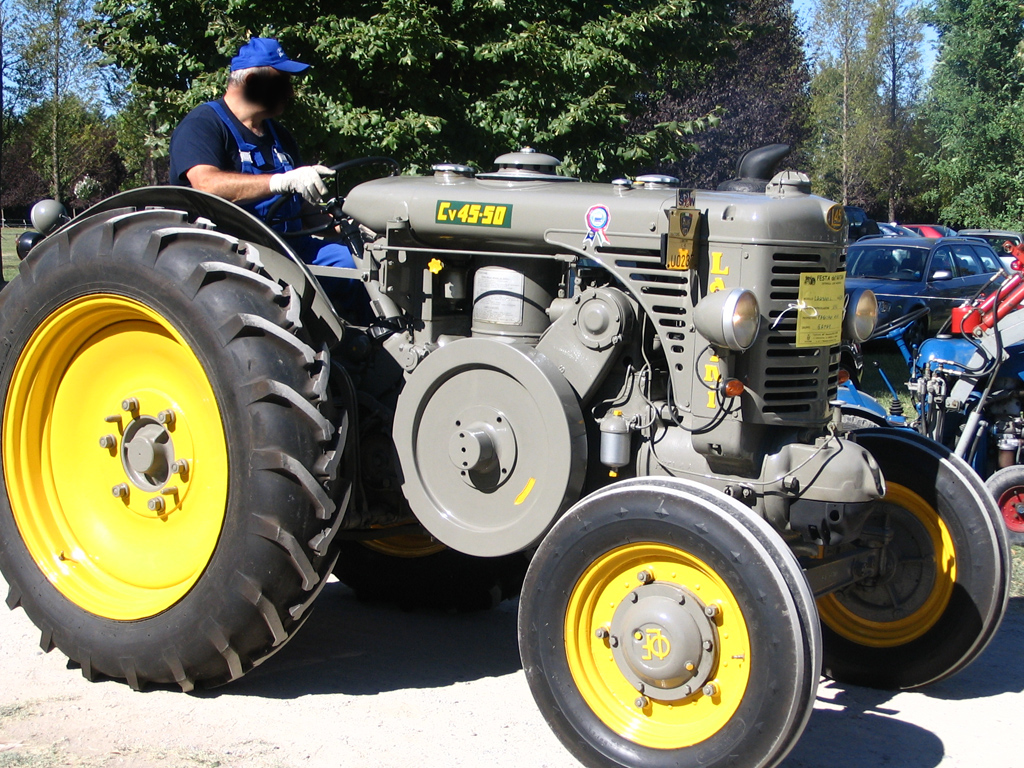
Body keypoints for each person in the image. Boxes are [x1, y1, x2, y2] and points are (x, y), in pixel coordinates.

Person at [168, 37, 358, 284]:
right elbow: (206, 184)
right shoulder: (203, 124)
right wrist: (279, 182)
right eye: (282, 82)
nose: (290, 92)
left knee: (358, 264)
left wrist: (351, 226)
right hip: (235, 254)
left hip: (291, 248)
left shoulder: (280, 136)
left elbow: (303, 208)